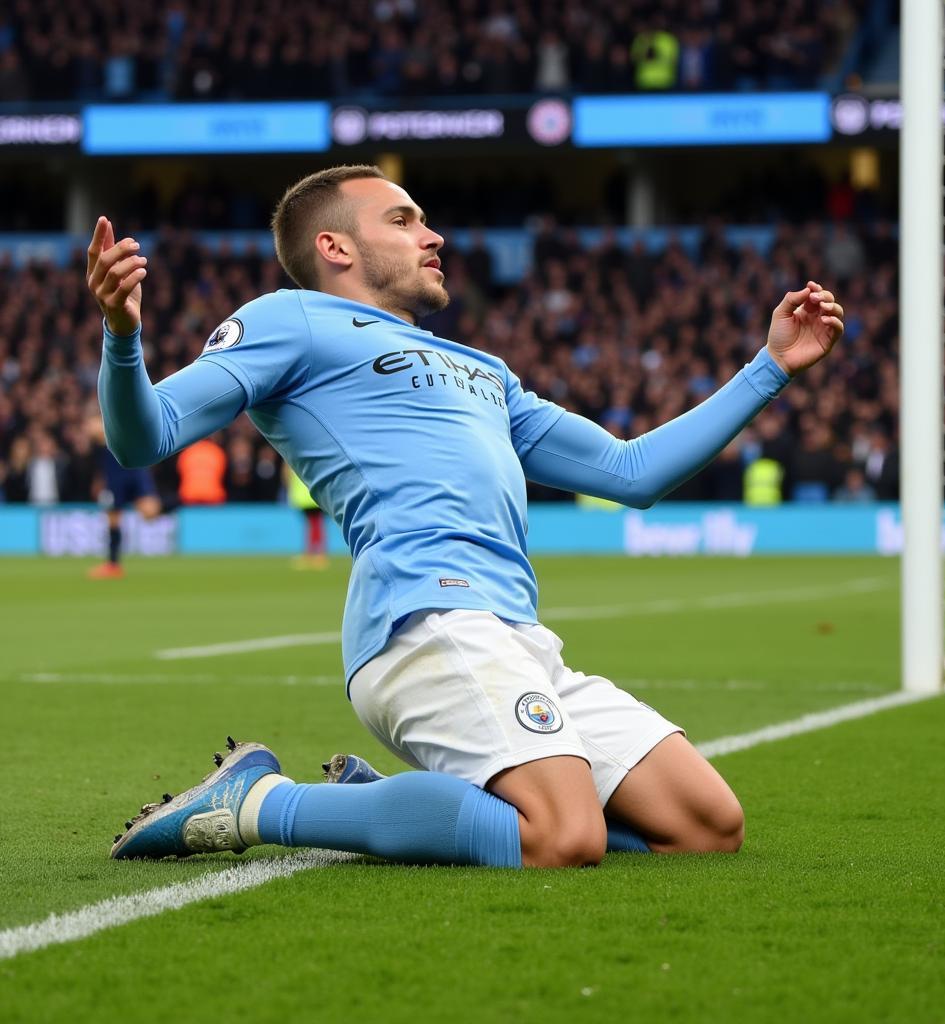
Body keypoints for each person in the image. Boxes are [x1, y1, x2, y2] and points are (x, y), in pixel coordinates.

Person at [89, 165, 844, 869]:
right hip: (423, 622)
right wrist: (123, 338)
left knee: (706, 826)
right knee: (562, 837)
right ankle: (261, 802)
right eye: (404, 220)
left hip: (519, 638)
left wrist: (768, 368)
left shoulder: (485, 371)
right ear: (335, 247)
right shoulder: (292, 320)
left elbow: (631, 472)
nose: (433, 235)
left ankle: (399, 805)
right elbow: (143, 437)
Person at [87, 415, 161, 579]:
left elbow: (96, 431)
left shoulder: (119, 419)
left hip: (135, 471)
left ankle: (183, 500)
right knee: (113, 519)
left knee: (150, 513)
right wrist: (99, 479)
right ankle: (113, 565)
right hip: (115, 477)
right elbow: (96, 438)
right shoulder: (106, 423)